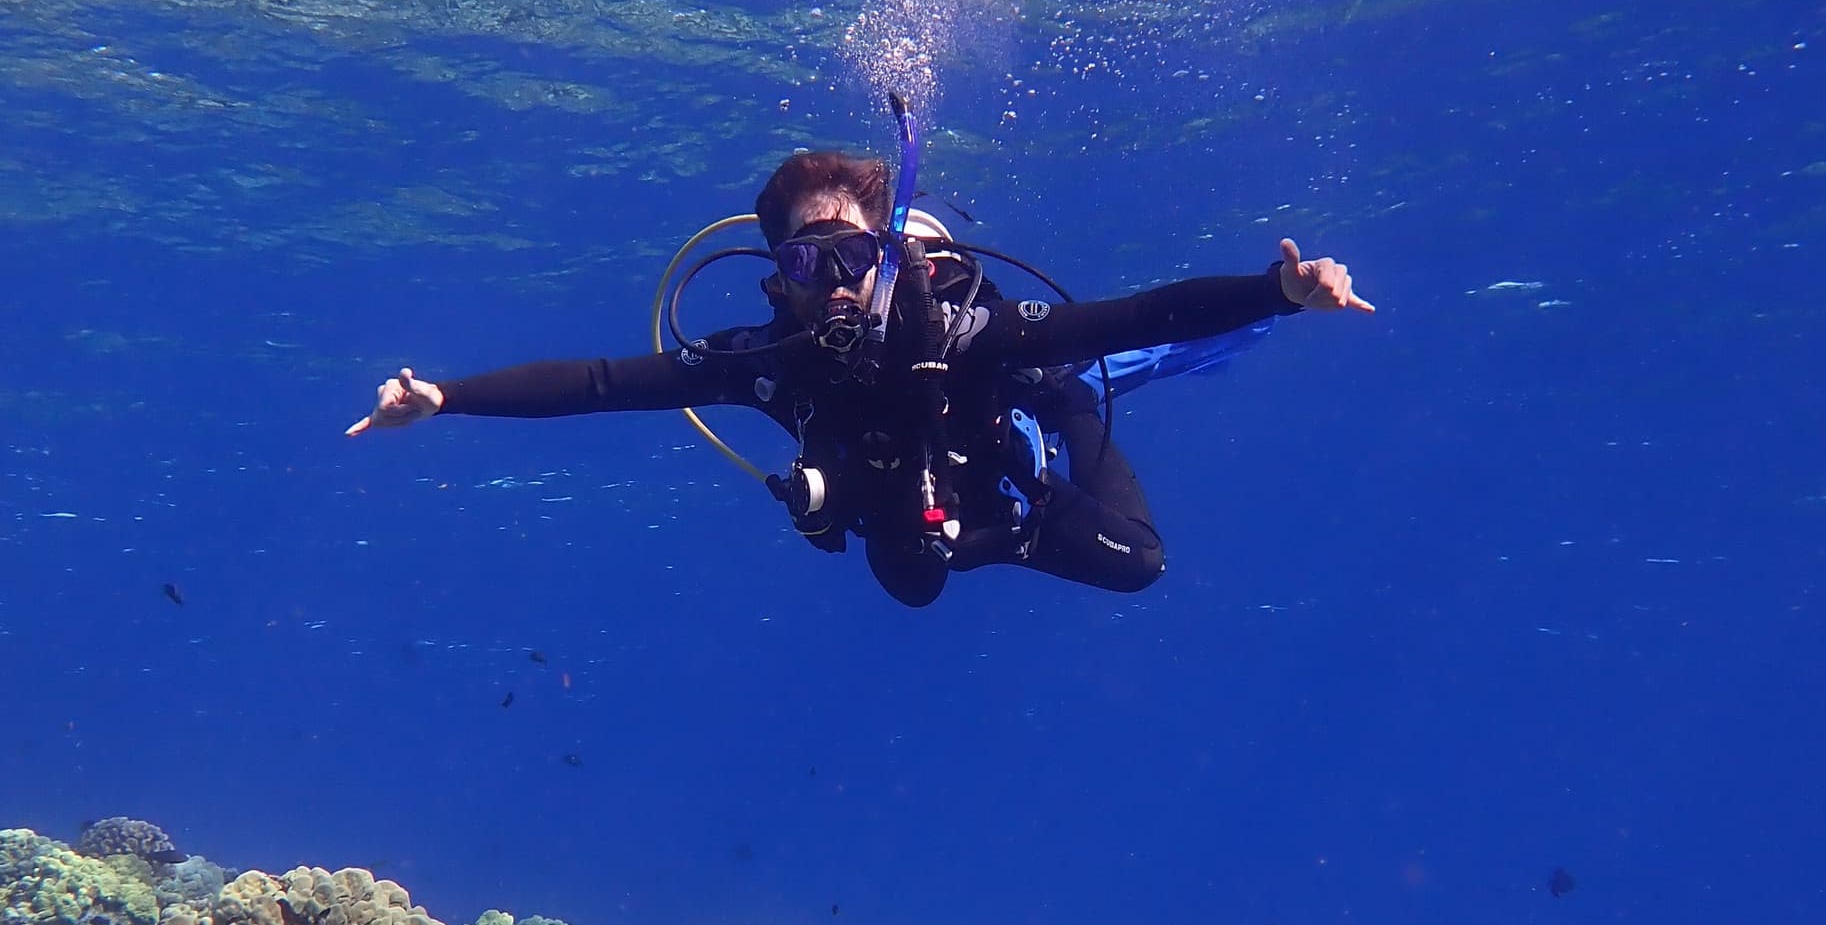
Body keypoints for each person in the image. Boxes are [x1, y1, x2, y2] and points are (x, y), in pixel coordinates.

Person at [347, 148, 1372, 606]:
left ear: (888, 260)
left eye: (851, 258)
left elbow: (1139, 313)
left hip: (1025, 425)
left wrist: (1274, 292)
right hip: (918, 520)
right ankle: (975, 521)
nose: (832, 285)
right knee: (910, 583)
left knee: (1138, 561)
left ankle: (1072, 405)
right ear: (776, 272)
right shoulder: (768, 367)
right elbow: (608, 381)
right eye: (805, 261)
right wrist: (447, 396)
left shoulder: (972, 331)